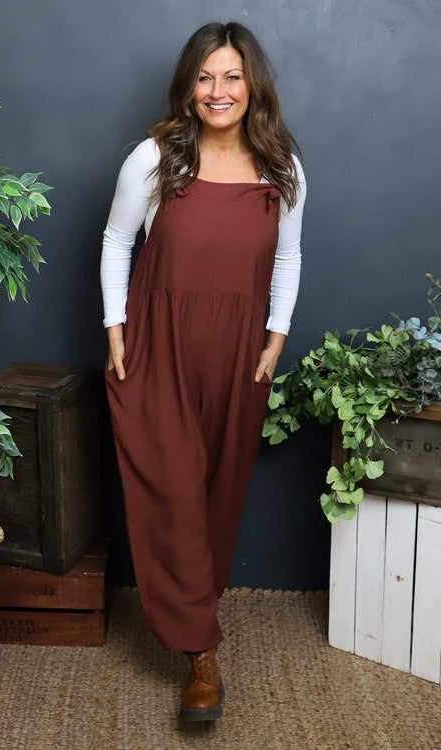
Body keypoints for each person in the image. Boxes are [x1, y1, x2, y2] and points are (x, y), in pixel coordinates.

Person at [100, 20, 307, 722]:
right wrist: (115, 329)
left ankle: (195, 615)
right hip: (158, 346)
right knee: (175, 489)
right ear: (188, 86)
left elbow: (288, 256)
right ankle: (202, 657)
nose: (218, 91)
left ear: (253, 86)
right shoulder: (154, 158)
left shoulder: (282, 168)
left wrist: (276, 335)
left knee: (219, 493)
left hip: (238, 354)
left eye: (232, 77)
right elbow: (117, 240)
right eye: (204, 77)